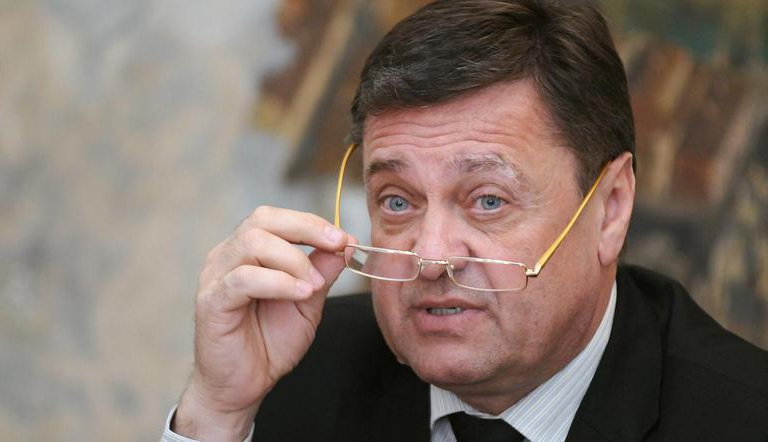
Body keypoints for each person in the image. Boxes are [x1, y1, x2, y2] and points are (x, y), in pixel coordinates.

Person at [162, 1, 768, 441]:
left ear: (609, 209)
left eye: (487, 201)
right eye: (397, 201)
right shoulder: (301, 370)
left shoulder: (743, 417)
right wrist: (219, 414)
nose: (432, 257)